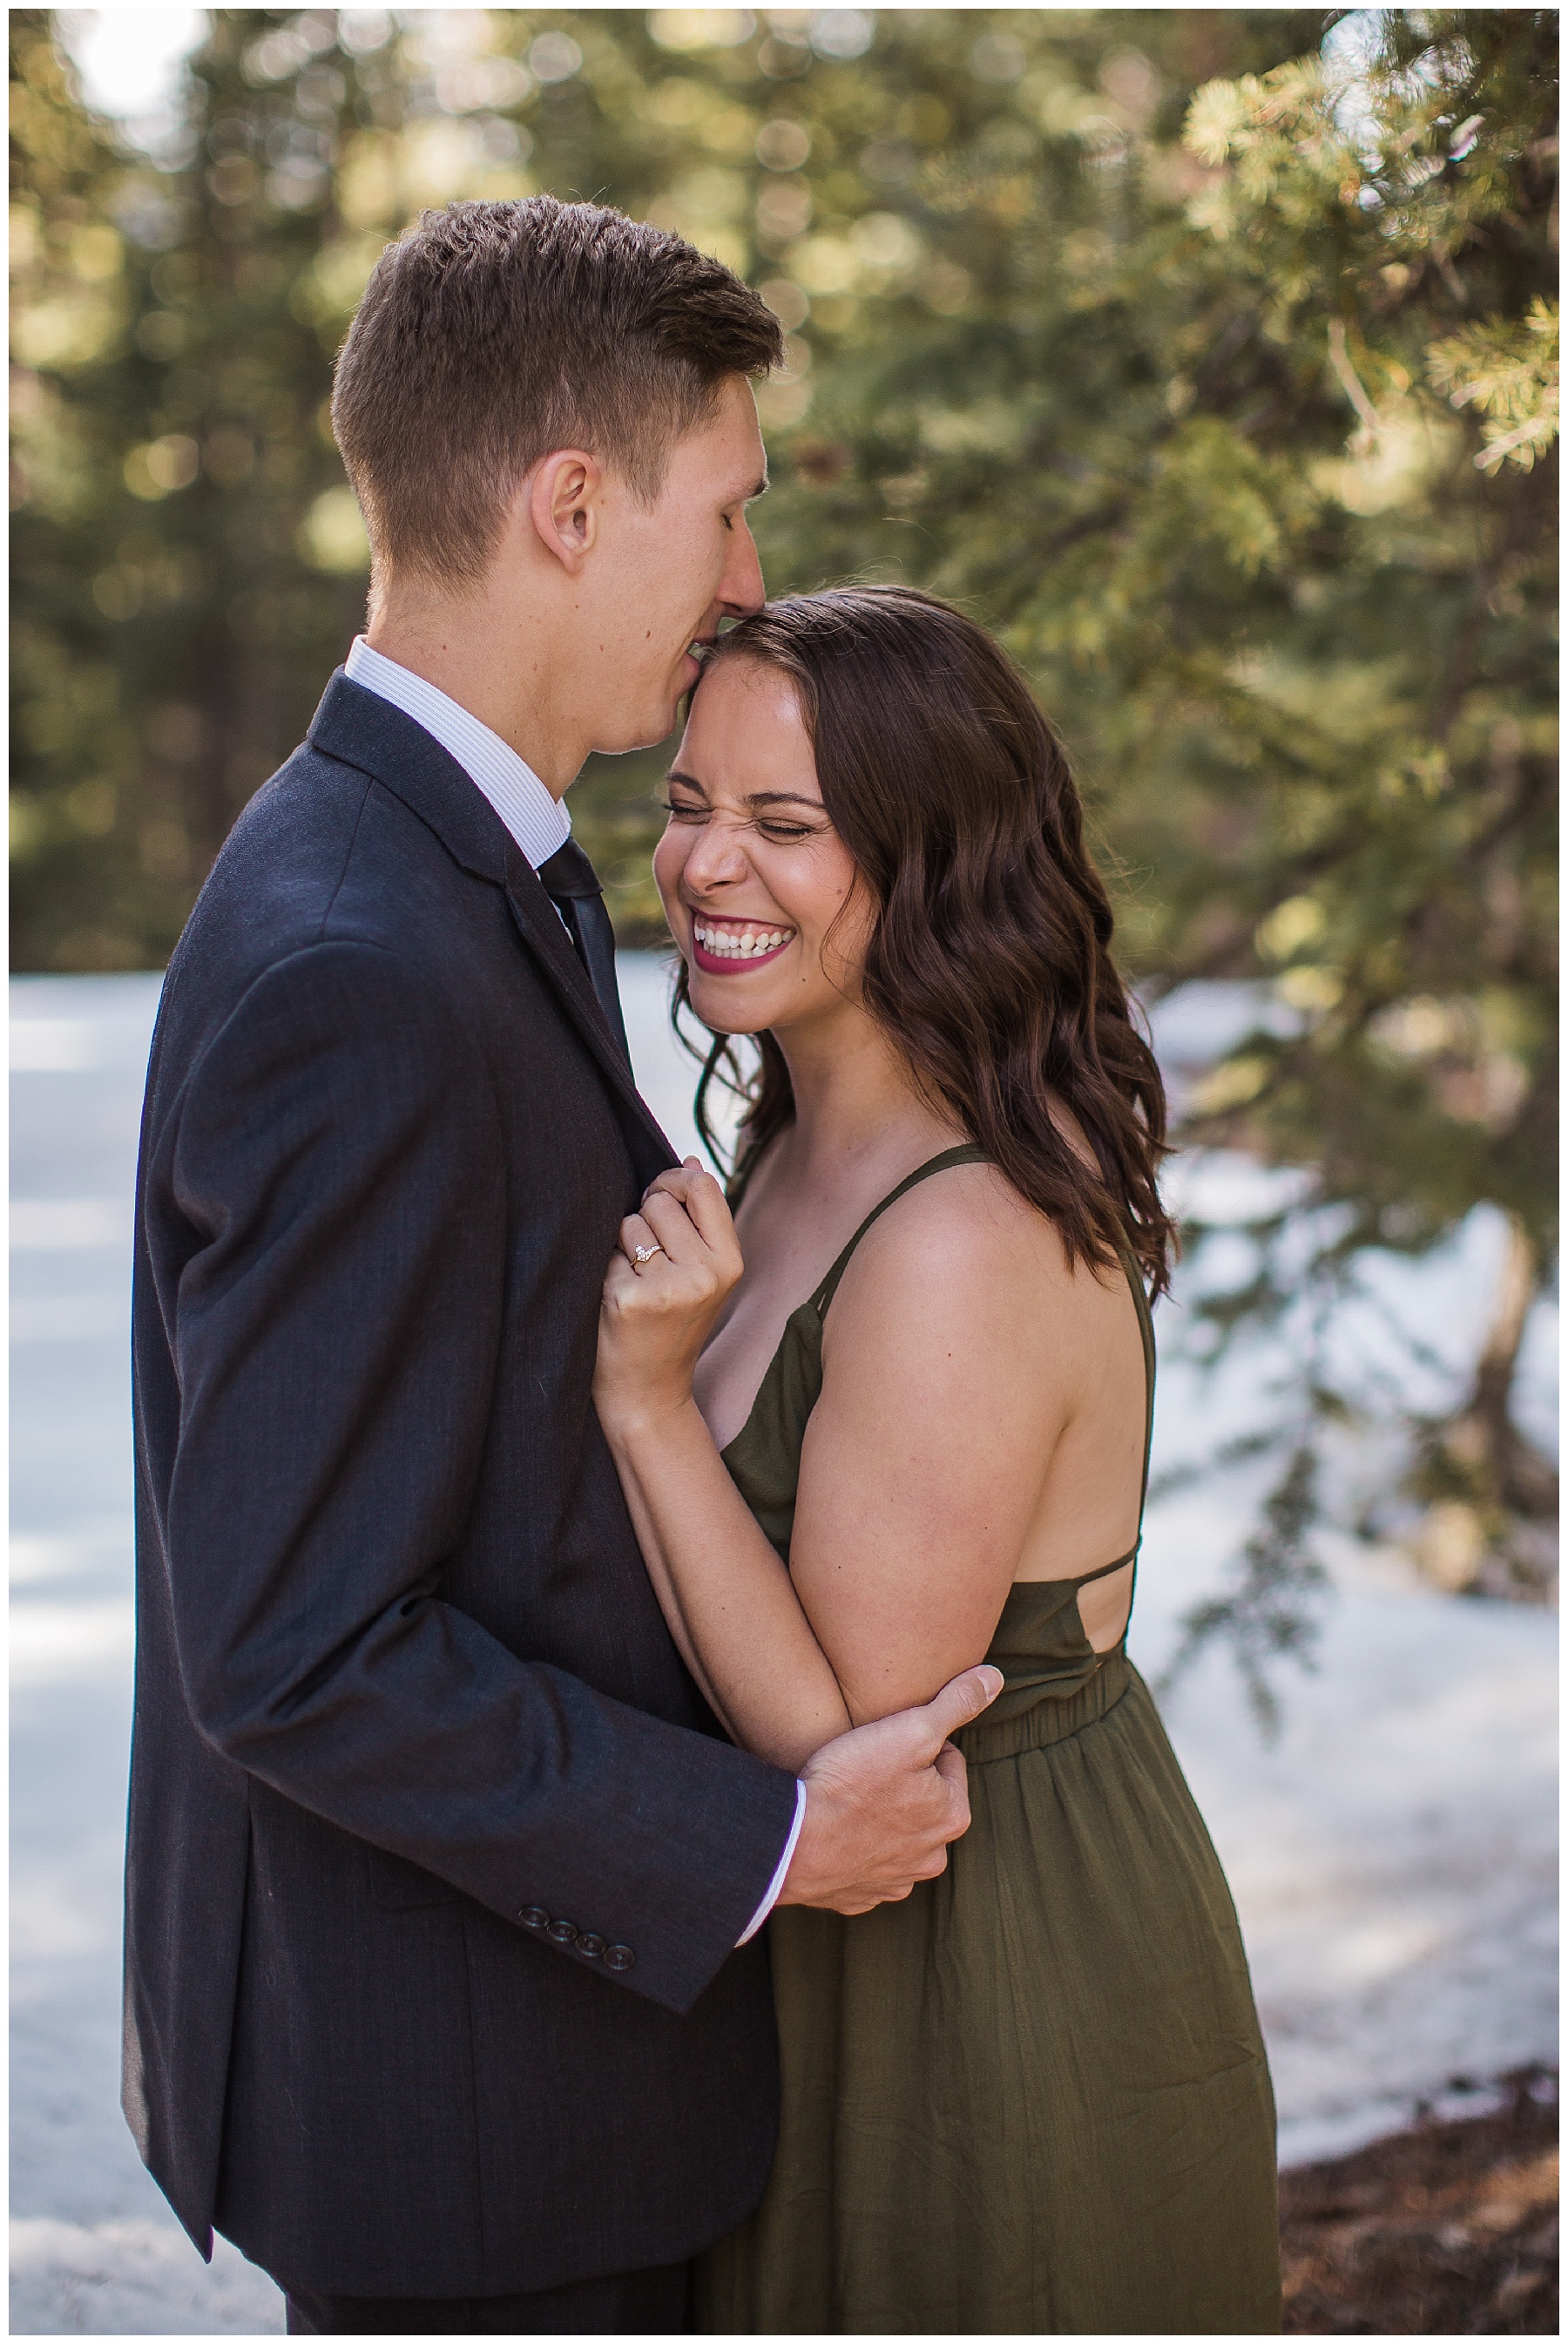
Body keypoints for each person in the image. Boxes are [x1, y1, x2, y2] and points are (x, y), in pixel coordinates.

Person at [124, 201, 1004, 2338]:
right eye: (724, 513)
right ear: (572, 501)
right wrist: (763, 1845)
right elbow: (298, 1648)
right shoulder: (365, 955)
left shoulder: (424, 852)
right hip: (476, 2121)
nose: (745, 584)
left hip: (478, 2064)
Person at [593, 585, 1284, 2334]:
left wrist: (645, 1405)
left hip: (991, 1989)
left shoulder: (959, 1233)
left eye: (785, 824)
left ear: (934, 859)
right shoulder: (805, 1130)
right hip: (840, 1975)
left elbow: (852, 1749)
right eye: (688, 806)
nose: (705, 866)